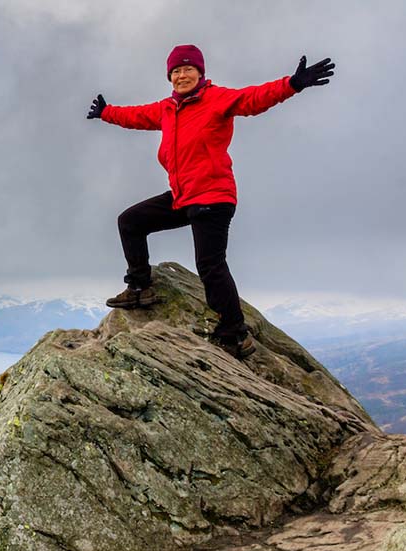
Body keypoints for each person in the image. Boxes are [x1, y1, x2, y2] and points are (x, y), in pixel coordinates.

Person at [86, 45, 334, 359]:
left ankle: (235, 333)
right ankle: (139, 288)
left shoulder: (217, 99)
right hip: (183, 195)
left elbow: (254, 98)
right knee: (130, 221)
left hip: (213, 196)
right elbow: (136, 115)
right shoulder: (167, 109)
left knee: (210, 265)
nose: (181, 75)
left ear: (200, 73)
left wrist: (293, 84)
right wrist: (107, 113)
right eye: (175, 71)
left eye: (188, 69)